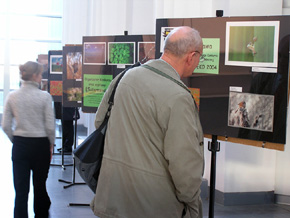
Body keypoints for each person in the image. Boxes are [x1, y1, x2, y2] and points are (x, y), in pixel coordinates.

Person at [91, 26, 204, 218]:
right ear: (191, 56)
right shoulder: (179, 96)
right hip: (154, 205)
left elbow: (99, 122)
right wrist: (191, 202)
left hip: (112, 196)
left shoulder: (125, 77)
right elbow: (184, 165)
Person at [1, 61, 55, 218]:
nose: (41, 77)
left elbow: (5, 125)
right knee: (40, 187)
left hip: (20, 145)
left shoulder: (12, 96)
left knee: (21, 190)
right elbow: (50, 126)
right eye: (40, 74)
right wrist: (50, 144)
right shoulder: (45, 97)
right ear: (35, 76)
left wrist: (16, 140)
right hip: (40, 145)